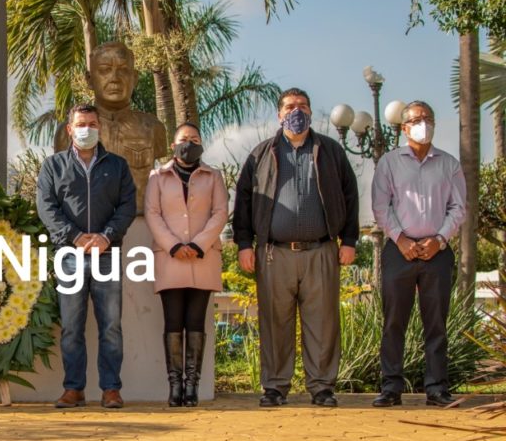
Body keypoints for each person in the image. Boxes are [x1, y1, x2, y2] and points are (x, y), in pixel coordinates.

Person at [233, 88, 358, 408]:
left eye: (302, 105)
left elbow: (349, 195)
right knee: (275, 322)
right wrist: (245, 244)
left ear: (311, 111)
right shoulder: (261, 154)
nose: (296, 111)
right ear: (279, 114)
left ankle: (322, 387)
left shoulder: (330, 151)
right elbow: (244, 201)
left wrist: (350, 241)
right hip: (274, 253)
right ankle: (275, 386)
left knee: (323, 322)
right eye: (290, 106)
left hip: (322, 251)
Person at [37, 103, 137, 409]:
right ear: (70, 129)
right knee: (71, 326)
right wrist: (75, 237)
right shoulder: (53, 166)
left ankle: (111, 389)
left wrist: (106, 237)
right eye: (81, 124)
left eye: (92, 124)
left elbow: (127, 206)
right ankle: (74, 389)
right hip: (69, 255)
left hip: (107, 254)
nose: (87, 129)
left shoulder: (117, 166)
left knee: (110, 326)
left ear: (100, 128)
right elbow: (46, 207)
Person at [371, 101, 466, 408]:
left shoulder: (449, 164)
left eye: (428, 118)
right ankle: (391, 387)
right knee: (394, 321)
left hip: (437, 252)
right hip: (399, 250)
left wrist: (439, 239)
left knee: (436, 323)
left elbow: (458, 207)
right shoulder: (389, 162)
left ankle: (437, 388)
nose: (423, 123)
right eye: (416, 119)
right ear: (404, 127)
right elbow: (380, 205)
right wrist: (399, 239)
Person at [145, 123, 228, 407]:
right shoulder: (157, 176)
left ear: (201, 144)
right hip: (170, 258)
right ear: (173, 145)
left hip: (202, 257)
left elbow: (220, 213)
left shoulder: (213, 176)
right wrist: (174, 246)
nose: (188, 143)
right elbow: (153, 214)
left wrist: (197, 245)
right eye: (183, 139)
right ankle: (175, 386)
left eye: (194, 139)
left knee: (195, 321)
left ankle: (192, 385)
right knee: (173, 321)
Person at [53, 42, 168, 213]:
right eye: (105, 70)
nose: (115, 78)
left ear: (134, 78)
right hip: (88, 226)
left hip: (140, 223)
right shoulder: (67, 133)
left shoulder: (152, 128)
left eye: (123, 70)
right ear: (90, 79)